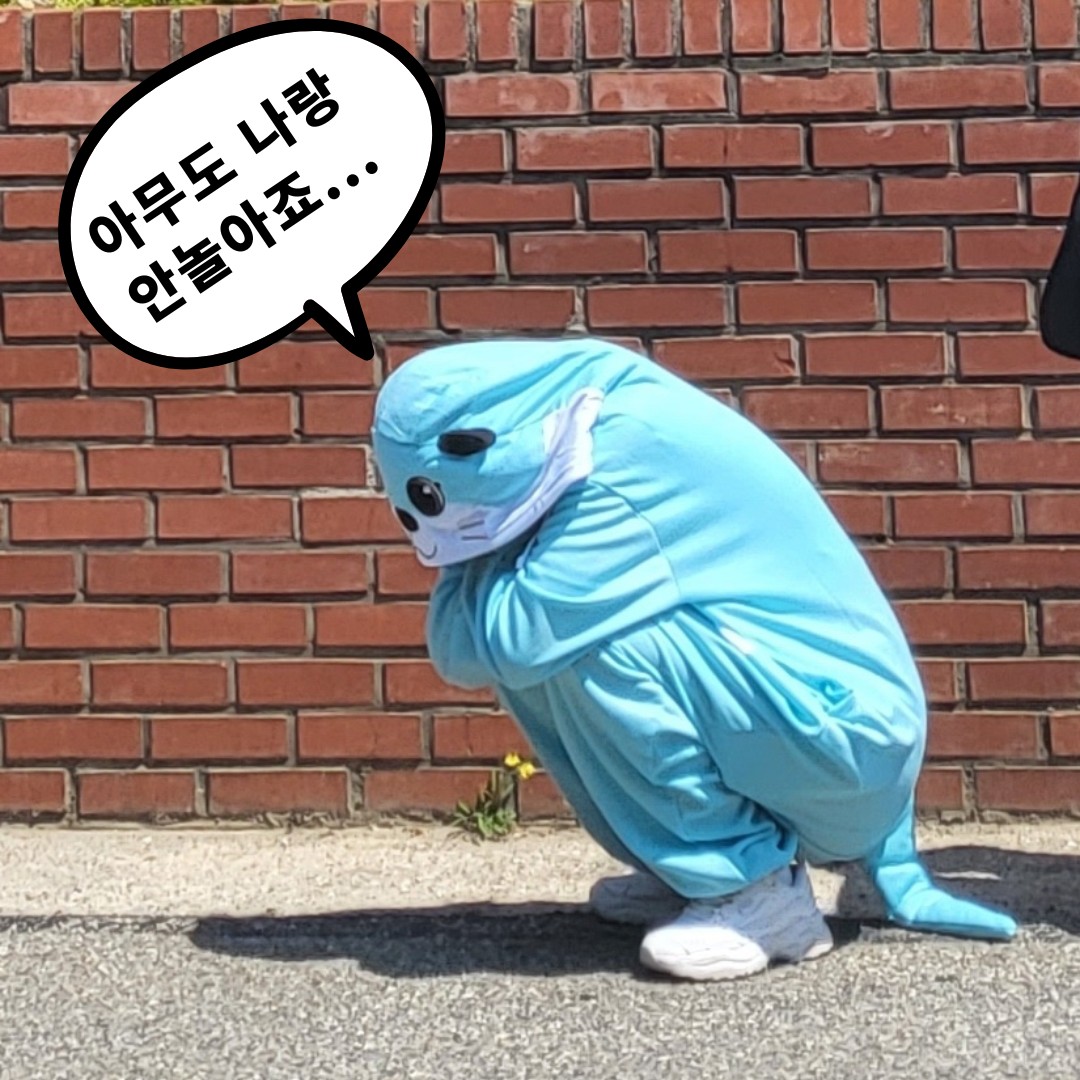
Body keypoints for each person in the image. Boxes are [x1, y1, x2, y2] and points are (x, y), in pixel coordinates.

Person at [371, 337, 1017, 982]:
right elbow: (470, 649)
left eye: (431, 500)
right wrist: (477, 550)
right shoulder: (571, 438)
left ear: (475, 446)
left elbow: (506, 639)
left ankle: (751, 888)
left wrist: (475, 558)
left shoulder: (620, 459)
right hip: (817, 740)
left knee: (590, 645)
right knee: (550, 646)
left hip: (851, 744)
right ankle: (688, 868)